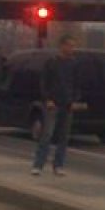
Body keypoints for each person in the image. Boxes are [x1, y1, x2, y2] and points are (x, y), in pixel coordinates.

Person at [32, 35, 78, 176]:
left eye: (73, 46)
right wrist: (48, 99)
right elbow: (44, 83)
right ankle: (38, 164)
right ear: (62, 46)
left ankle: (58, 165)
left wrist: (74, 99)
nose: (72, 49)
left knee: (63, 137)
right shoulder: (52, 63)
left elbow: (77, 84)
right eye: (70, 45)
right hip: (53, 103)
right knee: (47, 134)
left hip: (67, 104)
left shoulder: (74, 64)